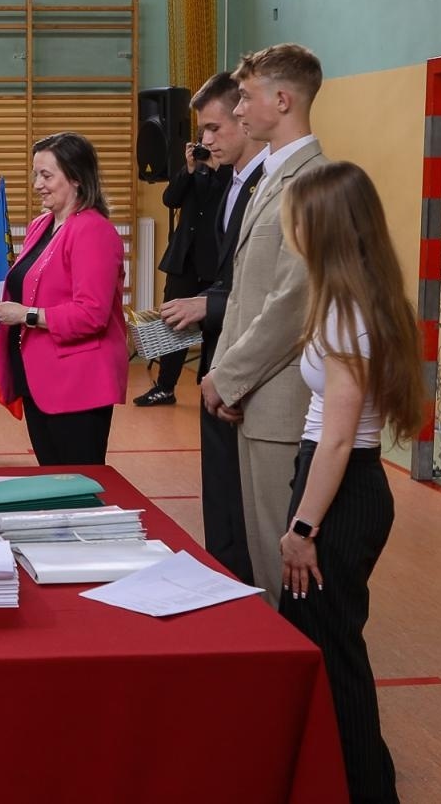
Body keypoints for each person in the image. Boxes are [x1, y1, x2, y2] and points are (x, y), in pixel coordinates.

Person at [278, 160, 423, 804]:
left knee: (334, 652)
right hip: (340, 480)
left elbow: (338, 437)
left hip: (341, 489)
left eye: (298, 216)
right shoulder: (356, 294)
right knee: (326, 640)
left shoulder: (345, 311)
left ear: (325, 227)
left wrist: (303, 529)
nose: (290, 227)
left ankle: (367, 789)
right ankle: (345, 778)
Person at [200, 44, 327, 609]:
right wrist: (223, 372)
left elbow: (291, 301)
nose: (240, 110)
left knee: (285, 572)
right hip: (253, 396)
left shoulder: (310, 181)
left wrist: (230, 378)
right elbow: (244, 291)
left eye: (247, 98)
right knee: (258, 555)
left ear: (282, 99)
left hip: (279, 402)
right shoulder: (272, 177)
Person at [159, 73, 269, 584]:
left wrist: (210, 304)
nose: (205, 141)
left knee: (248, 499)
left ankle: (246, 585)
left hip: (253, 363)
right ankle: (228, 579)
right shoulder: (228, 180)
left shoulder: (270, 186)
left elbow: (276, 289)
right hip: (223, 354)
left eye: (213, 127)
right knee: (222, 490)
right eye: (201, 132)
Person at [0, 132, 127, 465]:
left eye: (46, 175)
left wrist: (26, 315)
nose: (37, 185)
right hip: (38, 376)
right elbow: (31, 288)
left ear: (75, 177)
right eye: (35, 175)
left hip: (77, 381)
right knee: (53, 481)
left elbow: (92, 314)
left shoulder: (92, 230)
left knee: (77, 485)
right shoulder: (41, 225)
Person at [136, 126, 225, 407]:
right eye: (199, 142)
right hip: (184, 259)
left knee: (215, 326)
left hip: (216, 263)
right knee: (172, 322)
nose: (204, 146)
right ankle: (165, 387)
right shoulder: (191, 170)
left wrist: (217, 168)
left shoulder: (231, 171)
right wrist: (188, 168)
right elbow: (170, 199)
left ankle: (216, 384)